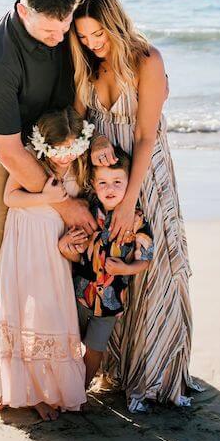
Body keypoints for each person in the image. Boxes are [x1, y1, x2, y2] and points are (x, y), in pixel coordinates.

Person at [0, 0, 96, 403]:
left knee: (65, 259)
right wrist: (63, 204)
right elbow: (10, 150)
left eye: (64, 27)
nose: (58, 38)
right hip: (4, 157)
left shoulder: (64, 29)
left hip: (60, 150)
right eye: (49, 30)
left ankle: (56, 361)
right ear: (23, 11)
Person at [70, 0, 201, 412]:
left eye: (98, 35)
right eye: (84, 37)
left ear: (115, 23)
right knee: (112, 270)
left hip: (145, 178)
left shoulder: (148, 61)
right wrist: (93, 143)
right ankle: (117, 367)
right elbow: (80, 122)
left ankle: (158, 374)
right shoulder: (87, 65)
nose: (92, 44)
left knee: (153, 268)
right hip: (107, 184)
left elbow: (145, 136)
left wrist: (131, 203)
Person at [0, 107, 94, 420]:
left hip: (56, 249)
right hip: (27, 242)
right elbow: (10, 198)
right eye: (56, 149)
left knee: (54, 312)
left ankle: (56, 387)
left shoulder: (80, 169)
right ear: (42, 144)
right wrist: (46, 197)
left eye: (71, 149)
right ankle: (31, 392)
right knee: (29, 312)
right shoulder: (30, 161)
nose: (63, 157)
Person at [59, 145, 153, 389]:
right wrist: (67, 246)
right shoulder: (88, 211)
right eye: (103, 183)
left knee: (95, 348)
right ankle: (64, 381)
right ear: (93, 182)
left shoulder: (137, 219)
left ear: (128, 181)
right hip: (80, 292)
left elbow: (146, 257)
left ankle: (79, 389)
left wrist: (126, 269)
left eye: (117, 182)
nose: (109, 189)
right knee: (69, 338)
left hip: (111, 300)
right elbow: (74, 245)